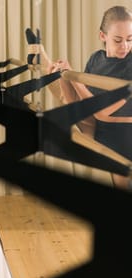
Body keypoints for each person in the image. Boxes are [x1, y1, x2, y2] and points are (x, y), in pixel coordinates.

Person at [48, 5, 132, 189]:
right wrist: (65, 76)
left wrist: (75, 78)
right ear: (103, 36)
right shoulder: (96, 59)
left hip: (124, 133)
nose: (125, 46)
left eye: (130, 39)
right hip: (99, 129)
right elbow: (79, 103)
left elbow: (102, 112)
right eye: (118, 40)